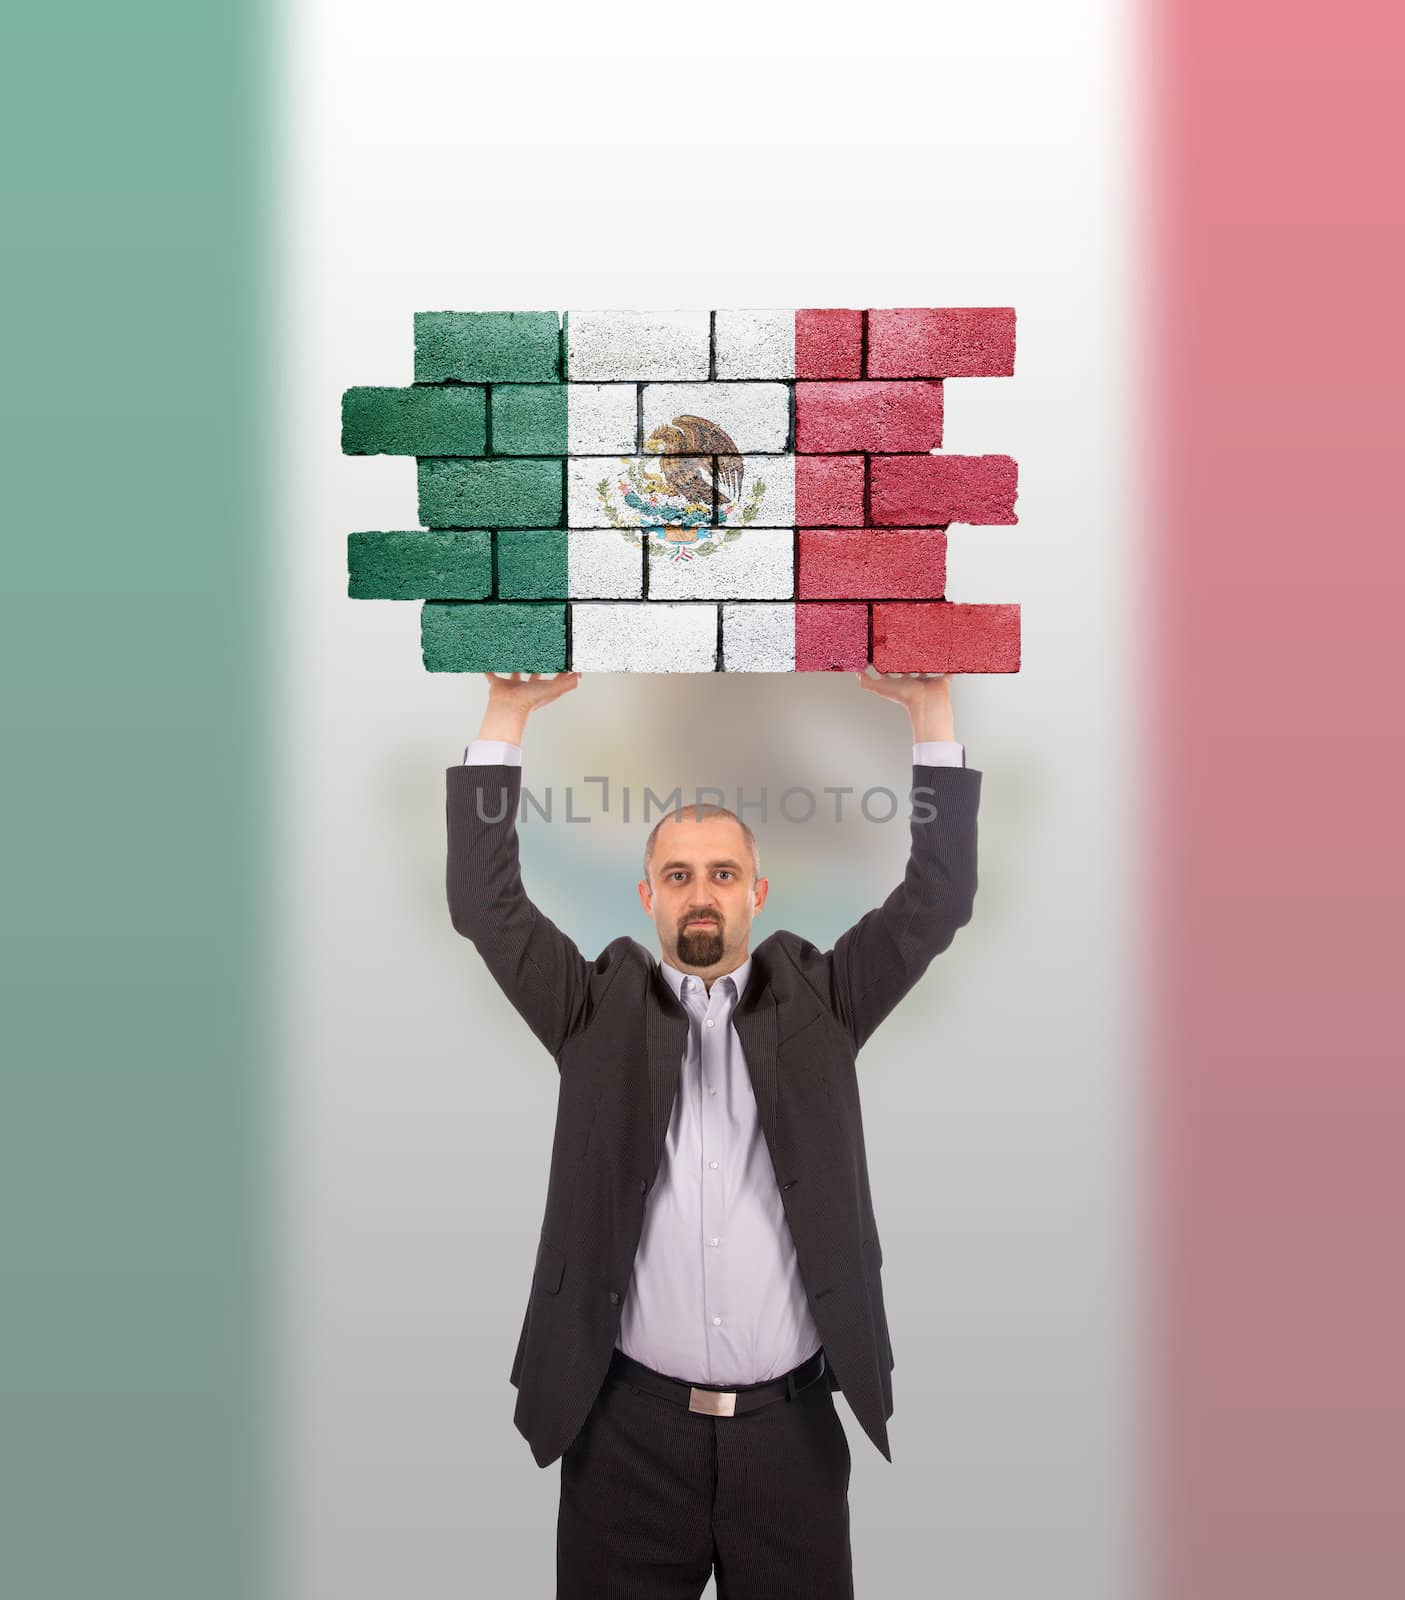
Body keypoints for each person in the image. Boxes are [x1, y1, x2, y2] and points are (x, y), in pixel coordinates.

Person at [447, 668, 982, 1598]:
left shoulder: (825, 999)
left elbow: (935, 901)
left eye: (723, 875)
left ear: (758, 894)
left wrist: (929, 710)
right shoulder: (590, 1010)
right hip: (624, 1438)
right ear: (647, 896)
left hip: (792, 1441)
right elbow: (484, 906)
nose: (703, 894)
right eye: (681, 876)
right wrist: (508, 713)